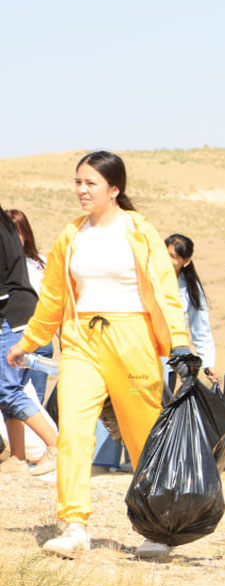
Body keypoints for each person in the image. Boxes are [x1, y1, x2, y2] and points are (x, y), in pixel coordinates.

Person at [4, 151, 197, 558]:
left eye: (90, 183)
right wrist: (29, 341)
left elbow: (165, 293)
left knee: (142, 436)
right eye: (78, 182)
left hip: (133, 339)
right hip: (80, 342)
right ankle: (75, 526)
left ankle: (157, 528)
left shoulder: (141, 232)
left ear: (114, 189)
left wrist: (179, 342)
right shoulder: (71, 236)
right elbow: (53, 297)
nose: (81, 190)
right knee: (73, 431)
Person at [1, 207, 57, 474]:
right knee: (12, 391)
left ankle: (56, 446)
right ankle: (18, 457)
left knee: (7, 390)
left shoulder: (37, 262)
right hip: (19, 320)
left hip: (15, 321)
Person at [164, 234, 216, 384]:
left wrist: (208, 362)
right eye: (165, 254)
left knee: (163, 403)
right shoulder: (147, 278)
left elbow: (200, 328)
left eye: (173, 257)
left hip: (171, 357)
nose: (167, 260)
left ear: (186, 261)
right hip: (144, 353)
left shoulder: (190, 288)